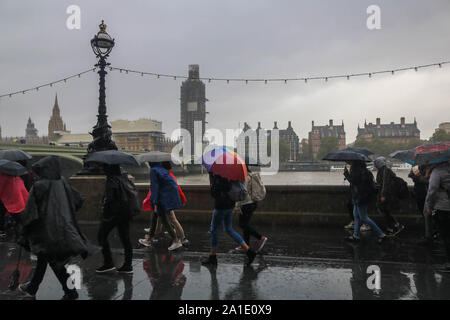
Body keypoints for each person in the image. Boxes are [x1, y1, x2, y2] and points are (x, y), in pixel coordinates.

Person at [17, 156, 88, 300]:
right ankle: (32, 287)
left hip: (45, 230)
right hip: (63, 229)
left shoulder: (39, 185)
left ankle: (71, 292)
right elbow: (78, 200)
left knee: (54, 262)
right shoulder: (62, 182)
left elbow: (30, 212)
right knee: (45, 259)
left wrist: (24, 228)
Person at [202, 172, 256, 266]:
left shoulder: (219, 175)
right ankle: (249, 251)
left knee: (214, 230)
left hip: (221, 206)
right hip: (230, 204)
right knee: (228, 229)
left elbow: (214, 193)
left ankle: (213, 257)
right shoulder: (232, 174)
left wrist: (212, 180)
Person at [97, 164, 139, 274]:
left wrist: (104, 214)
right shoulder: (125, 178)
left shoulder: (112, 180)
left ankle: (108, 263)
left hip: (115, 213)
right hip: (126, 212)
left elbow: (110, 199)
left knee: (102, 236)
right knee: (125, 238)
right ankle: (128, 265)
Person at [139, 162, 189, 247]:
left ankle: (176, 240)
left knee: (165, 220)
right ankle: (148, 239)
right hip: (166, 198)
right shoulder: (163, 171)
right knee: (155, 218)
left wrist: (154, 202)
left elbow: (154, 188)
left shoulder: (154, 171)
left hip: (161, 199)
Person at [344, 160, 387, 243]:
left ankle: (381, 234)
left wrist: (346, 173)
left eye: (351, 162)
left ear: (356, 163)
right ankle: (355, 235)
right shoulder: (365, 171)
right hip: (361, 196)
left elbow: (354, 182)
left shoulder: (358, 171)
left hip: (360, 197)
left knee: (364, 217)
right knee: (356, 215)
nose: (350, 163)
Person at [235, 164, 268, 253]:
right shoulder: (250, 175)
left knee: (242, 224)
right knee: (246, 224)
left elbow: (242, 192)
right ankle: (246, 245)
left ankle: (260, 238)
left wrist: (237, 206)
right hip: (252, 203)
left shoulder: (244, 177)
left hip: (246, 204)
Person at [425, 161, 450, 272]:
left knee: (446, 236)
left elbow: (432, 190)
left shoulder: (437, 171)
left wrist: (429, 206)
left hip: (443, 207)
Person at [374, 157, 405, 236]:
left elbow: (385, 183)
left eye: (376, 163)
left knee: (385, 210)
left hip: (387, 194)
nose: (375, 165)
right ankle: (391, 227)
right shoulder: (382, 170)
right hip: (386, 193)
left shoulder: (385, 171)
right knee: (385, 210)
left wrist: (383, 195)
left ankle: (396, 226)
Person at [409, 166, 435, 245]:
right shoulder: (416, 167)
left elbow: (427, 181)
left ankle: (431, 233)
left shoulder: (430, 168)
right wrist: (424, 176)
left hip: (426, 194)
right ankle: (429, 231)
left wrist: (421, 177)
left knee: (428, 214)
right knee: (423, 212)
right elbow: (410, 175)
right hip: (418, 193)